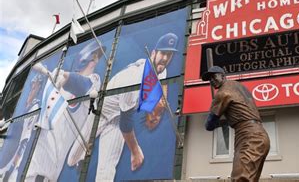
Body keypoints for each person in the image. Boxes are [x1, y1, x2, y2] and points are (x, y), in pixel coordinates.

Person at [67, 33, 179, 181]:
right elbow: (126, 124)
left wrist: (159, 107)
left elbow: (161, 84)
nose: (165, 58)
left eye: (169, 55)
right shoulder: (134, 77)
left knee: (107, 169)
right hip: (103, 110)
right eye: (163, 53)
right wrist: (135, 151)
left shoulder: (160, 69)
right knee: (72, 159)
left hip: (118, 117)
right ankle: (80, 160)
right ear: (153, 53)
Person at [25, 41, 104, 182]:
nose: (96, 61)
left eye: (97, 57)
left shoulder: (93, 81)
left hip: (43, 172)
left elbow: (82, 84)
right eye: (95, 57)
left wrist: (64, 76)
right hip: (33, 167)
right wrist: (56, 78)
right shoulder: (58, 85)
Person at [203, 66, 270, 182]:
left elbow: (209, 125)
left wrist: (217, 119)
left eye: (214, 76)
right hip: (259, 135)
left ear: (223, 76)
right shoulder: (238, 86)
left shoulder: (222, 93)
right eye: (209, 79)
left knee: (239, 179)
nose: (212, 81)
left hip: (249, 137)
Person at [0, 74, 43, 181]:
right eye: (32, 87)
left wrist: (15, 162)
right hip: (10, 150)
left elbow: (25, 138)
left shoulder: (35, 107)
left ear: (38, 89)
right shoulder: (25, 105)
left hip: (16, 156)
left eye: (34, 88)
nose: (31, 90)